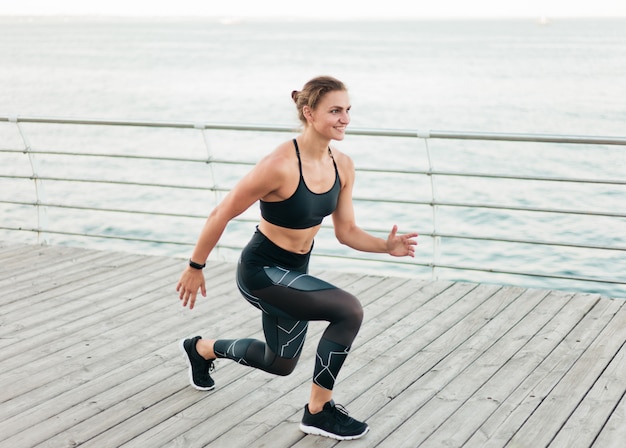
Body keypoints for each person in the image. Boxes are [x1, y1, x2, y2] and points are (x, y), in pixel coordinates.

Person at [176, 75, 418, 441]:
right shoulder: (279, 165)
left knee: (280, 363)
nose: (345, 119)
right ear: (309, 112)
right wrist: (196, 266)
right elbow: (221, 212)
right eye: (335, 110)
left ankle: (201, 349)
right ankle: (318, 411)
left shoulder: (344, 165)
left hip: (294, 273)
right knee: (348, 310)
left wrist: (386, 247)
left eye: (348, 110)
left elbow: (346, 231)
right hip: (261, 271)